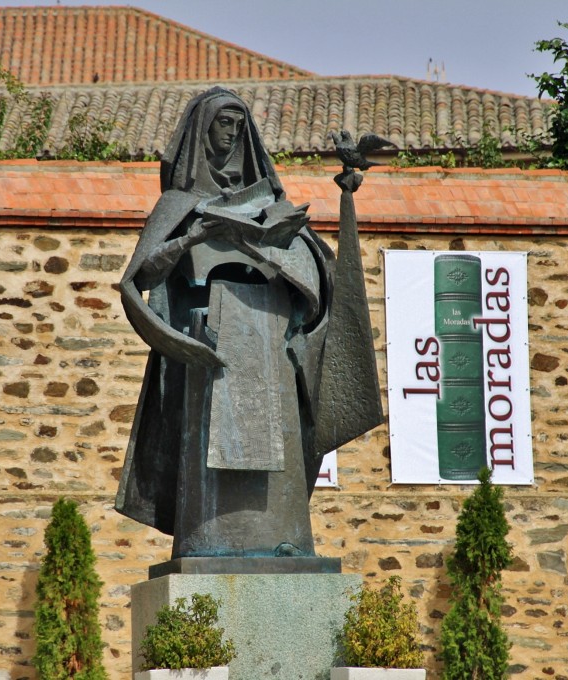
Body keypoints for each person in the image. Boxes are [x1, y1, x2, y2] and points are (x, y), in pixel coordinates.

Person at [116, 87, 377, 560]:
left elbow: (317, 277)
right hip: (208, 341)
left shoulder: (271, 203)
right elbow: (141, 278)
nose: (232, 131)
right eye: (223, 122)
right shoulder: (177, 204)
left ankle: (284, 537)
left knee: (279, 458)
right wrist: (190, 238)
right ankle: (208, 540)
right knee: (207, 462)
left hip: (270, 339)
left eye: (239, 123)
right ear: (202, 131)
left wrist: (280, 246)